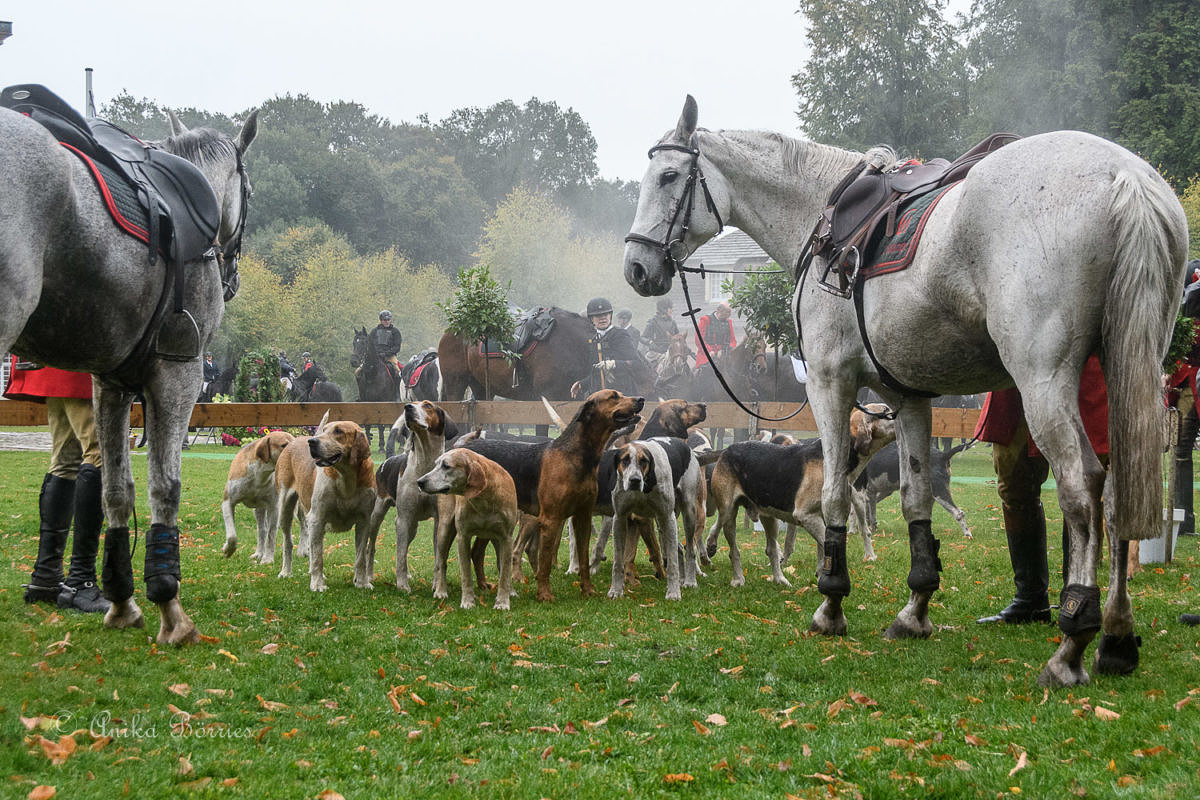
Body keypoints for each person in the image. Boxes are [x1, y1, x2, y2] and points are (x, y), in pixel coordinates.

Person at [975, 355, 1109, 624]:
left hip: (1083, 375)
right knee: (1013, 485)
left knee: (1083, 492)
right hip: (1019, 380)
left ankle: (1078, 596)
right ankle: (1030, 599)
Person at [5, 357, 110, 613]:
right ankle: (80, 582)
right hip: (81, 366)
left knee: (64, 462)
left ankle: (46, 576)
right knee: (99, 453)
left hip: (49, 367)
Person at [570, 297, 648, 398]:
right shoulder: (593, 341)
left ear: (610, 315)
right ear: (591, 319)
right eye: (598, 315)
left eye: (605, 314)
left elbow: (637, 364)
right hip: (600, 398)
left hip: (623, 396)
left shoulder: (621, 335)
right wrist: (582, 384)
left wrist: (614, 364)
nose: (603, 318)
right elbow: (597, 374)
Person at [695, 301, 737, 368]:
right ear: (718, 310)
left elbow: (733, 341)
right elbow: (699, 340)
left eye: (729, 312)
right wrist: (709, 351)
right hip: (706, 355)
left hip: (724, 354)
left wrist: (724, 350)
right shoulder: (705, 320)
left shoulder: (729, 322)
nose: (728, 315)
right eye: (726, 312)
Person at [642, 297, 680, 368]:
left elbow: (678, 338)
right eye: (670, 308)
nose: (672, 310)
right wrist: (650, 342)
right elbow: (643, 337)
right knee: (645, 368)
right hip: (656, 352)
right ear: (664, 309)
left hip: (670, 351)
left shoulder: (673, 323)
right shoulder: (653, 322)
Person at [369, 310, 404, 378]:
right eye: (385, 320)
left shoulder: (395, 331)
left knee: (398, 371)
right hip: (375, 356)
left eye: (388, 319)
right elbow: (370, 344)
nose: (387, 321)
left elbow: (397, 347)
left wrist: (386, 354)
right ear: (381, 320)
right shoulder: (374, 331)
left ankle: (399, 387)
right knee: (359, 370)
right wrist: (375, 353)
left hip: (390, 357)